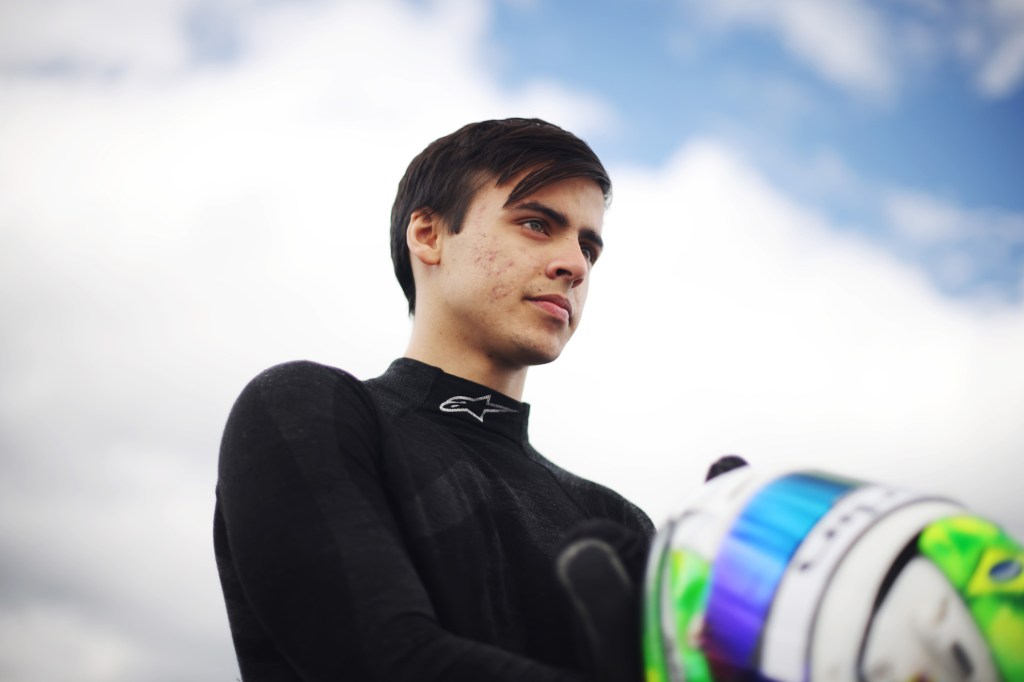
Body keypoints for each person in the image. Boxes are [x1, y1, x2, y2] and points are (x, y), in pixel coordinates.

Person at [213, 118, 654, 681]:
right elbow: (386, 661)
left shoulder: (617, 522)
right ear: (428, 235)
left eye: (589, 247)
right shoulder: (309, 410)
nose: (574, 265)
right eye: (537, 224)